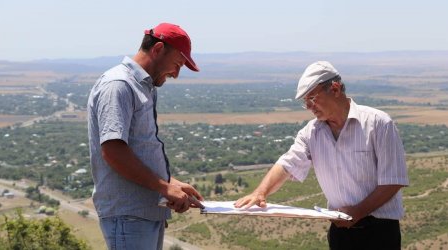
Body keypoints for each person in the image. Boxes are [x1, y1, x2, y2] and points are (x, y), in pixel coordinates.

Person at [235, 61, 409, 250]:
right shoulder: (311, 132)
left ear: (334, 89)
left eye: (312, 98)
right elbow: (287, 164)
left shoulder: (378, 124)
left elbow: (393, 180)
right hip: (340, 232)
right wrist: (260, 192)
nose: (309, 107)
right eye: (305, 102)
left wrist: (357, 212)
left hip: (379, 233)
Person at [87, 23, 203, 250]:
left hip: (143, 213)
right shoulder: (119, 85)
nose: (176, 74)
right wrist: (164, 187)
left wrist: (170, 183)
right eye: (177, 64)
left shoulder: (142, 87)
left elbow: (138, 149)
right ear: (158, 49)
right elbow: (113, 151)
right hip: (128, 214)